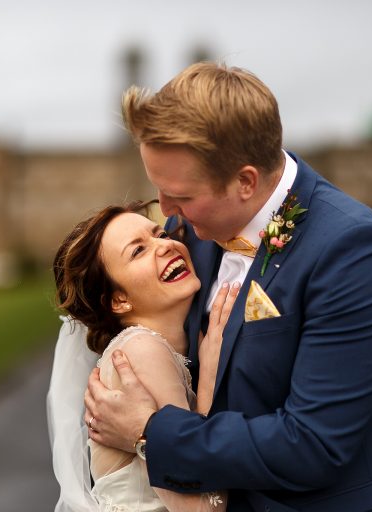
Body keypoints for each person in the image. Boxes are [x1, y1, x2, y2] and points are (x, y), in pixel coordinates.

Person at [84, 62, 372, 511]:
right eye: (159, 189)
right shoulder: (190, 230)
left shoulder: (353, 251)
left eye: (179, 194)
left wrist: (148, 431)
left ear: (245, 182)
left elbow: (312, 445)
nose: (164, 209)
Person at [49, 200, 239, 511]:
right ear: (119, 300)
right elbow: (205, 507)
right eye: (138, 251)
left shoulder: (149, 348)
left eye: (160, 236)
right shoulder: (140, 352)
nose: (165, 246)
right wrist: (208, 380)